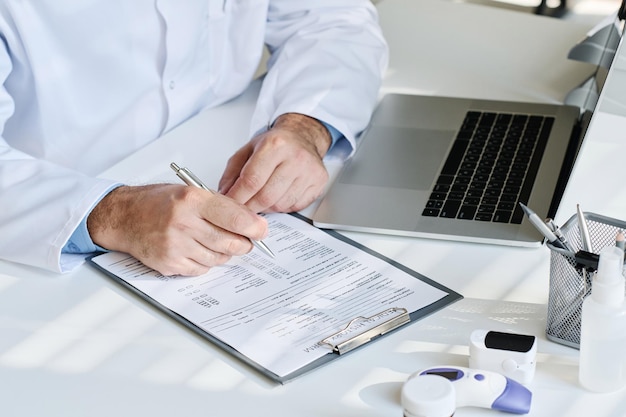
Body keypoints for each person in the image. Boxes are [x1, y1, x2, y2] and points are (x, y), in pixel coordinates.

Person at [0, 1, 388, 276]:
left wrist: (305, 127)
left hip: (222, 149)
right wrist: (114, 214)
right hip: (47, 210)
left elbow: (332, 20)